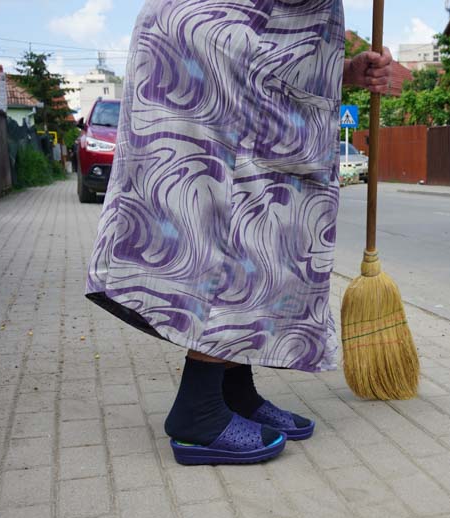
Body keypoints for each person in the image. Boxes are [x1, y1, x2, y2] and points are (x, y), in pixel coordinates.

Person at [85, 0, 392, 465]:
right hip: (225, 50)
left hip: (241, 46)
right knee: (247, 223)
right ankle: (198, 413)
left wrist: (341, 70)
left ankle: (233, 391)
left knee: (257, 221)